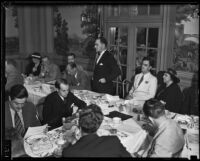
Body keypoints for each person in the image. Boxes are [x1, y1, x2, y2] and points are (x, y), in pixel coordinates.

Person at [62, 104, 131, 157]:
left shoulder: (68, 152)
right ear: (99, 125)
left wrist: (68, 144)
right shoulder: (113, 141)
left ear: (79, 124)